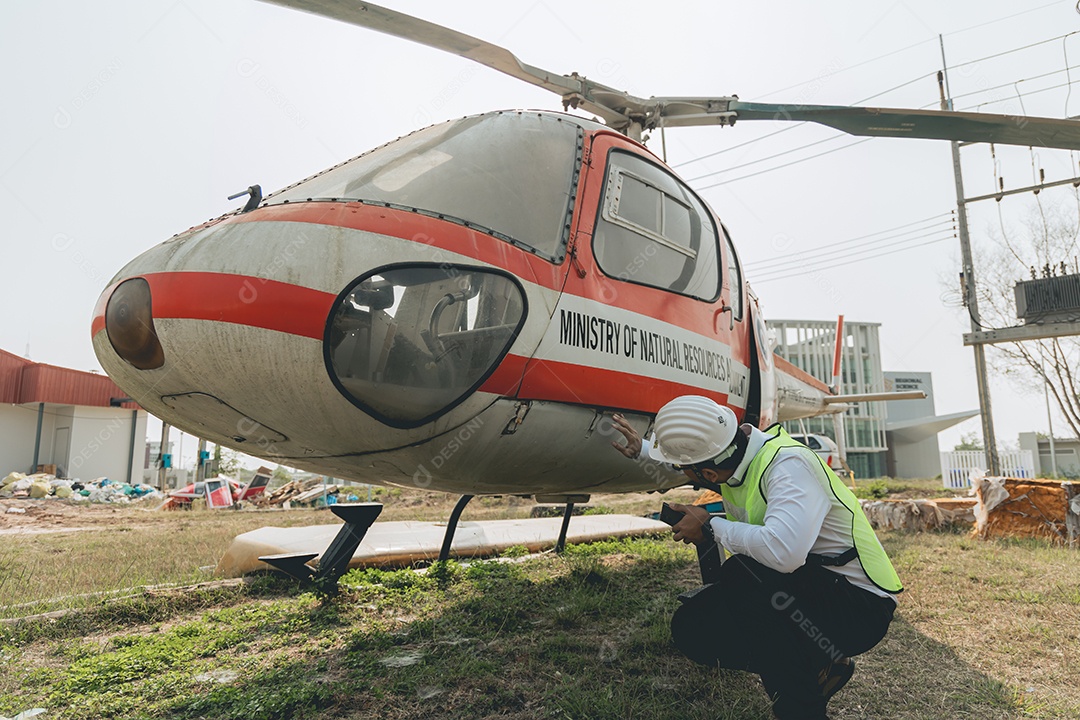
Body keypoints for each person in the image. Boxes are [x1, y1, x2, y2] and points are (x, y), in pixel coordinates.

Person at [611, 395, 901, 720]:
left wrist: (710, 527)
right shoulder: (737, 455)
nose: (683, 475)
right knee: (694, 626)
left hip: (859, 608)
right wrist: (644, 449)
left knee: (743, 573)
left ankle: (801, 709)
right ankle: (819, 663)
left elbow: (784, 553)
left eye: (686, 470)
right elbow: (696, 466)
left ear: (708, 474)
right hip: (812, 589)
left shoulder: (788, 467)